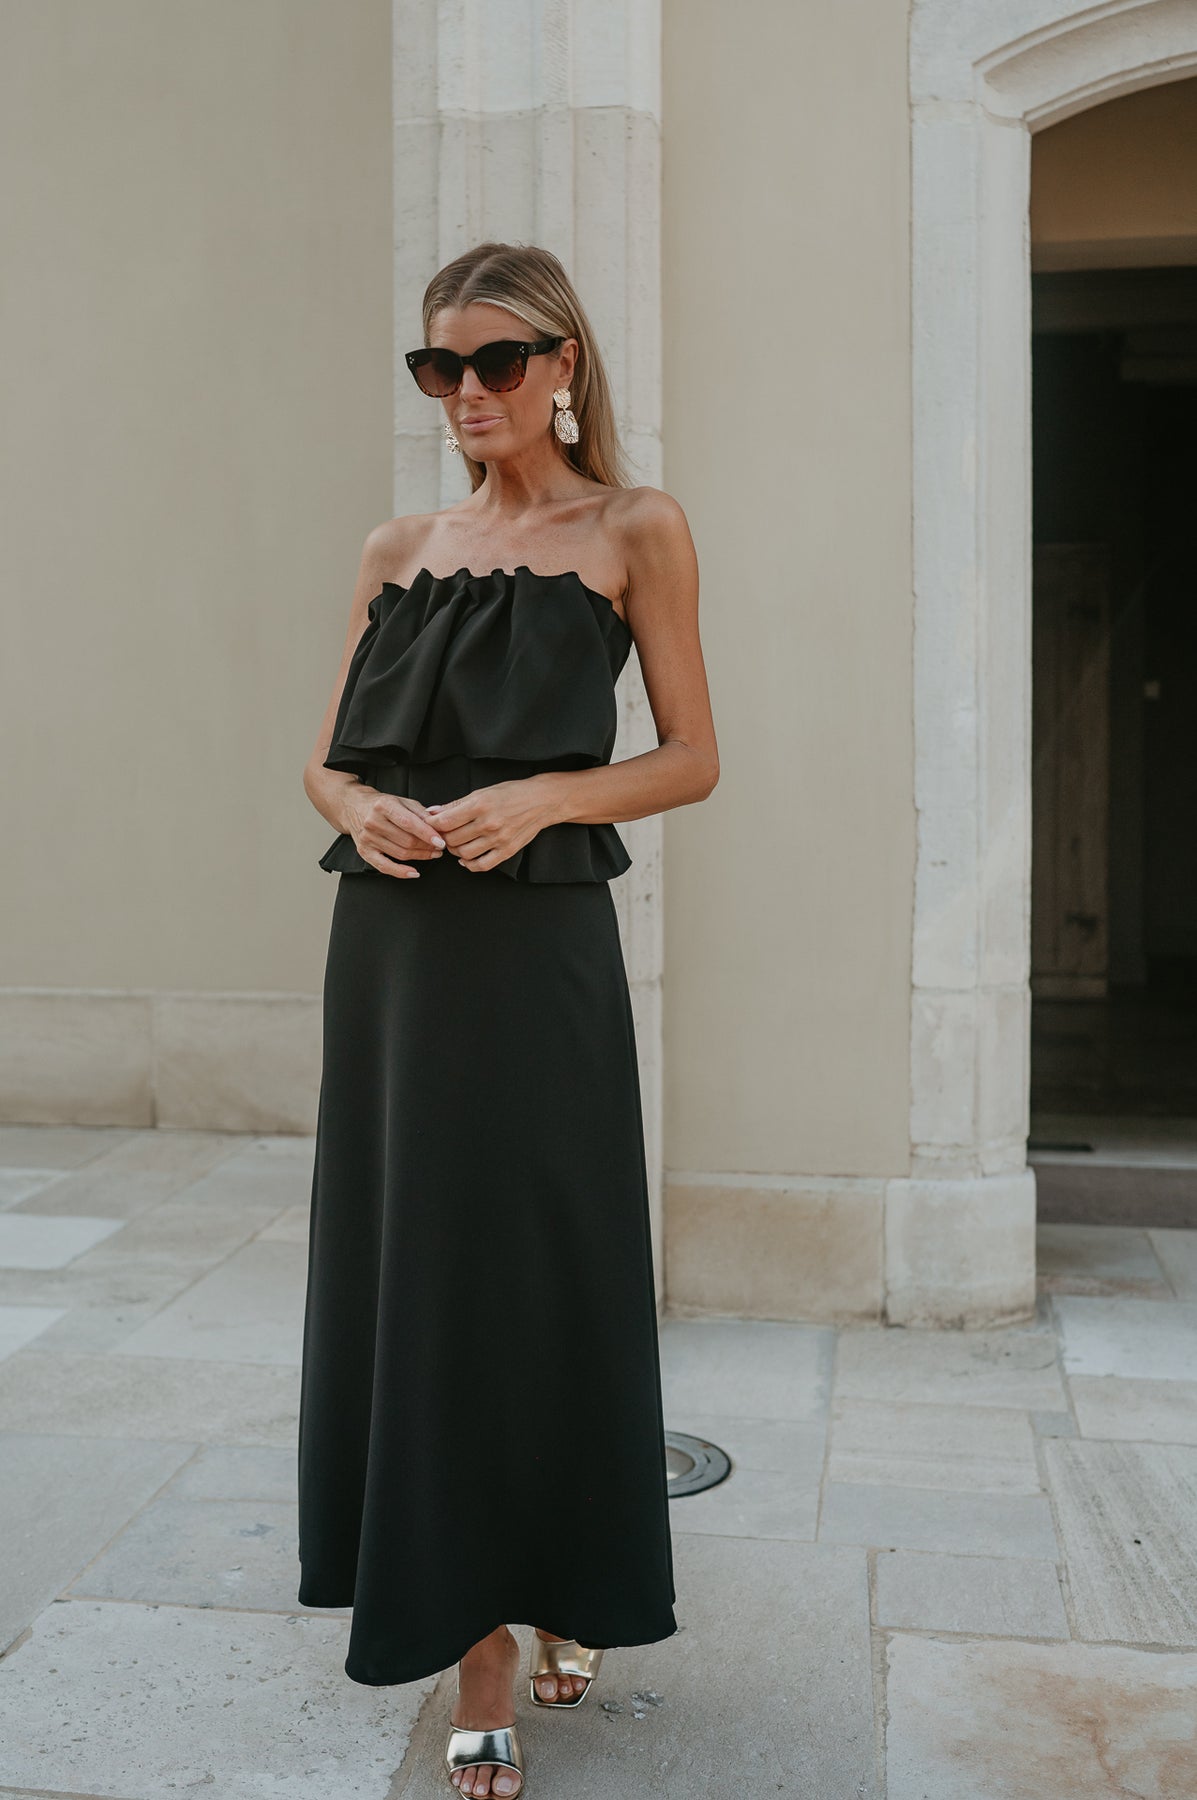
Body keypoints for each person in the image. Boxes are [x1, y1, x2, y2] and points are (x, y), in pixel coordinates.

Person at [296, 240, 719, 1798]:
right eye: (438, 366)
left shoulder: (633, 528)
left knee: (540, 1268)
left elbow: (690, 756)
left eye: (492, 362)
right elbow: (326, 761)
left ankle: (569, 1578)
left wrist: (542, 796)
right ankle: (476, 1645)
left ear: (561, 366)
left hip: (539, 959)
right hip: (394, 953)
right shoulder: (396, 545)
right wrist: (361, 808)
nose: (463, 391)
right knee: (421, 1269)